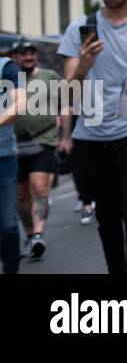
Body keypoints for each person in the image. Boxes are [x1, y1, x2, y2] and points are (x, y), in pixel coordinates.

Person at [58, 0, 127, 274]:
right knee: (107, 218)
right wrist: (83, 66)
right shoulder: (81, 29)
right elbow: (68, 93)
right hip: (91, 139)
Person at [12, 42, 61, 261]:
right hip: (14, 145)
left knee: (39, 188)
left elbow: (68, 99)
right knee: (20, 196)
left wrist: (63, 124)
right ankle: (30, 235)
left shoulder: (49, 76)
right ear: (16, 58)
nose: (29, 57)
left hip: (44, 139)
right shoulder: (10, 80)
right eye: (24, 54)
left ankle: (39, 234)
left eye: (32, 53)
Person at [0, 46, 25, 273]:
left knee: (7, 226)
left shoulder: (6, 68)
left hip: (3, 158)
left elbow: (19, 105)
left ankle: (10, 268)